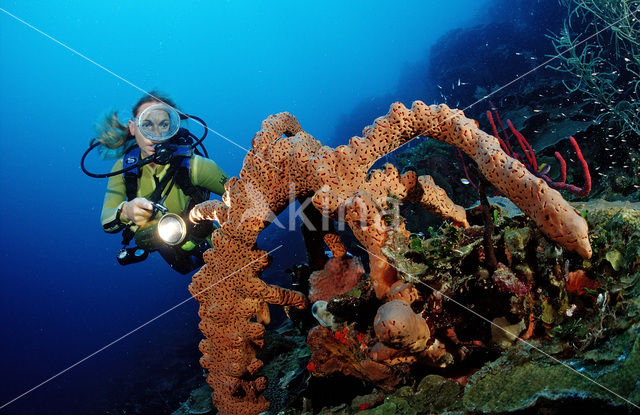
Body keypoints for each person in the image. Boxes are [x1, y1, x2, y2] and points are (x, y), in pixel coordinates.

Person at [96, 92, 228, 274]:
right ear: (132, 127)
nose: (155, 134)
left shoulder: (195, 166)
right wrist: (125, 211)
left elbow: (242, 199)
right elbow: (106, 220)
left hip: (212, 243)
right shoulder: (123, 169)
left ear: (173, 127)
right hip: (170, 253)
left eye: (164, 125)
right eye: (147, 124)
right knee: (185, 269)